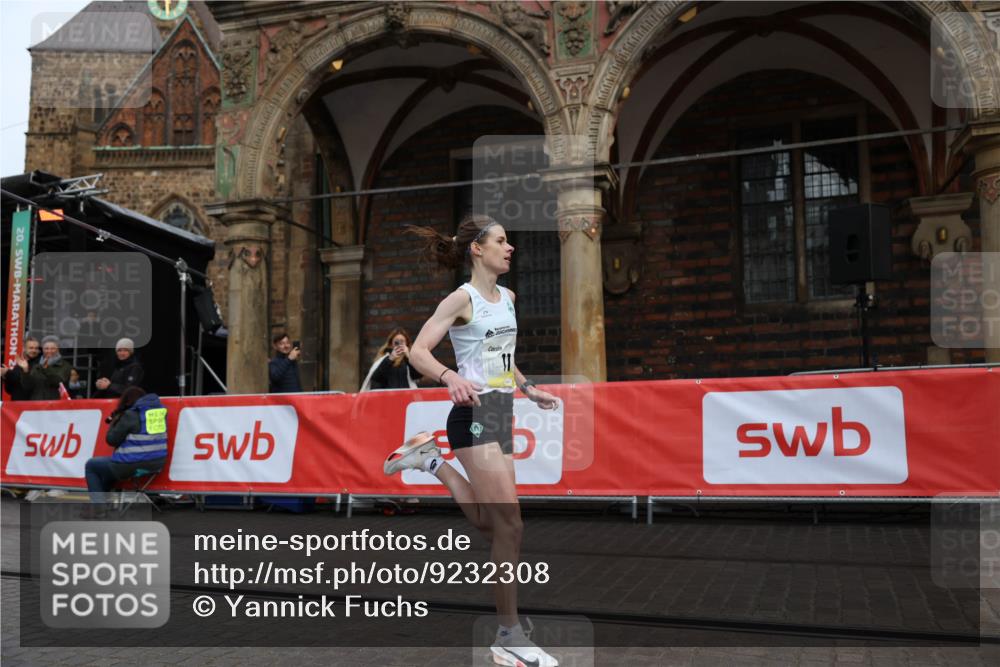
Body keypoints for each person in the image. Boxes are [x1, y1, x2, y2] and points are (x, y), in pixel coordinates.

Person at [382, 213, 560, 667]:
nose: (511, 247)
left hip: (499, 413)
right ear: (477, 249)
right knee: (510, 527)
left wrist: (527, 387)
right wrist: (448, 377)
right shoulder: (460, 300)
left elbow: (503, 356)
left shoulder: (509, 298)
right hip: (473, 415)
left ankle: (430, 461)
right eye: (501, 240)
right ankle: (508, 635)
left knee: (494, 526)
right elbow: (419, 351)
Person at [85, 386, 168, 493]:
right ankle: (103, 502)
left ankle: (98, 506)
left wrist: (115, 420)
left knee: (91, 465)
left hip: (133, 465)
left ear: (127, 402)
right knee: (110, 467)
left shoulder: (130, 415)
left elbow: (111, 440)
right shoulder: (159, 414)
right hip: (156, 464)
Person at [21, 335, 71, 400]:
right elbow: (28, 386)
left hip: (55, 405)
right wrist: (25, 371)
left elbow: (59, 382)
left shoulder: (65, 365)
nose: (49, 351)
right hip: (36, 405)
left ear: (58, 348)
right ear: (42, 349)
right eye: (46, 348)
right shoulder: (37, 365)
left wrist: (46, 369)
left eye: (53, 348)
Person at [0, 335, 41, 400]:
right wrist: (6, 376)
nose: (34, 350)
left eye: (36, 348)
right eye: (31, 348)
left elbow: (30, 387)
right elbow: (10, 390)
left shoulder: (41, 364)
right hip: (16, 407)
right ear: (24, 348)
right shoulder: (19, 365)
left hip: (31, 406)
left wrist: (8, 373)